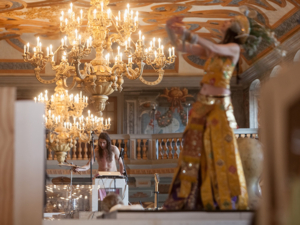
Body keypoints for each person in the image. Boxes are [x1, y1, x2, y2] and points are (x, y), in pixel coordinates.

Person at [163, 15, 256, 210]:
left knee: (219, 149)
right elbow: (181, 48)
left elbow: (214, 48)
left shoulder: (234, 49)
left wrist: (188, 33)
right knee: (193, 148)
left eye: (229, 20)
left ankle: (220, 198)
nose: (224, 20)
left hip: (220, 107)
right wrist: (170, 30)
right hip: (202, 104)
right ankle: (188, 197)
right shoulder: (215, 50)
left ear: (237, 30)